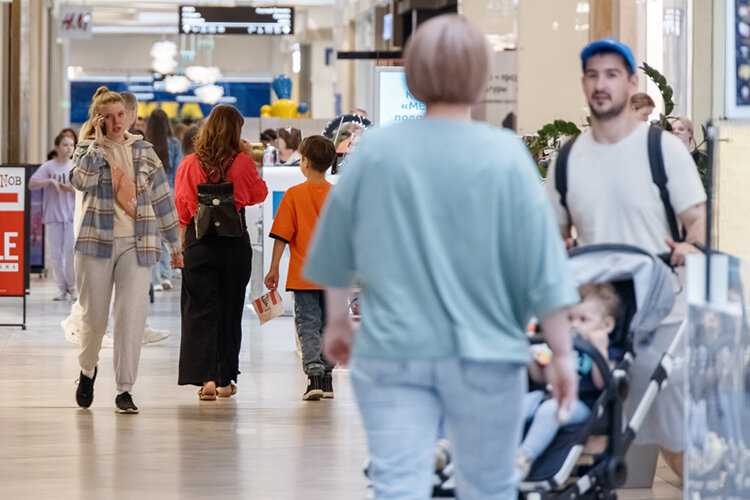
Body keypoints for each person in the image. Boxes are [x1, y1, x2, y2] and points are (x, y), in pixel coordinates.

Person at [304, 15, 579, 499]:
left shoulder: (375, 152)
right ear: (480, 77)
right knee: (489, 486)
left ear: (413, 76)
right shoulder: (505, 155)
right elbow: (543, 265)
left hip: (392, 351)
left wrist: (337, 323)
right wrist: (560, 353)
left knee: (397, 484)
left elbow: (335, 248)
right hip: (488, 355)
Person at [544, 38, 707, 479]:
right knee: (582, 436)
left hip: (662, 314)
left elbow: (697, 219)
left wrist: (692, 245)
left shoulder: (664, 150)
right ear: (584, 84)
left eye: (612, 75)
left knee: (677, 443)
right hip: (598, 322)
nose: (602, 84)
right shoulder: (568, 159)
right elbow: (555, 237)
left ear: (630, 82)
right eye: (593, 75)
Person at [70, 86, 182, 414]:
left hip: (138, 243)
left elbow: (163, 199)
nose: (117, 121)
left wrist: (175, 244)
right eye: (109, 117)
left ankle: (125, 389)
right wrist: (98, 144)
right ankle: (88, 369)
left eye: (121, 115)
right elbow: (80, 181)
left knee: (131, 317)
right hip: (95, 244)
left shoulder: (145, 151)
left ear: (130, 116)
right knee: (95, 318)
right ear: (99, 119)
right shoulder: (87, 148)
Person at [175, 105, 268, 400]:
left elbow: (183, 207)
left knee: (199, 311)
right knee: (229, 312)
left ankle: (207, 381)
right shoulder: (242, 163)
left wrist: (182, 243)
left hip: (199, 242)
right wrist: (247, 158)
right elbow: (259, 194)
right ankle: (226, 380)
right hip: (233, 243)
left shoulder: (189, 163)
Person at [516, 282, 619, 479]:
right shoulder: (561, 345)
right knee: (521, 403)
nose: (574, 325)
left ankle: (524, 457)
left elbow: (601, 384)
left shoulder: (608, 349)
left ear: (606, 325)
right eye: (570, 318)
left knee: (551, 409)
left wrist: (600, 351)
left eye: (583, 319)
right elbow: (540, 378)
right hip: (548, 395)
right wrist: (531, 358)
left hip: (583, 404)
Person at [263, 135, 337, 400]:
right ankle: (327, 378)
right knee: (329, 326)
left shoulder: (294, 195)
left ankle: (314, 375)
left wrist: (273, 269)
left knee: (307, 324)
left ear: (304, 162)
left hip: (303, 277)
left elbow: (282, 235)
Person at [29, 132, 77, 301]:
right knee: (55, 255)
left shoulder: (75, 166)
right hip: (52, 216)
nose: (68, 148)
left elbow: (82, 193)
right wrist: (49, 182)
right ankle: (61, 288)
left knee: (70, 253)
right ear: (57, 147)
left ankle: (72, 286)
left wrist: (70, 189)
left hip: (71, 216)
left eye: (71, 145)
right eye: (65, 145)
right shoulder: (48, 167)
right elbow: (31, 184)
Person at [147, 109, 184, 292]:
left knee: (152, 237)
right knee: (169, 235)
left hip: (150, 193)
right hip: (169, 191)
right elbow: (178, 171)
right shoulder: (175, 144)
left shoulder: (145, 145)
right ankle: (167, 275)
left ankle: (155, 280)